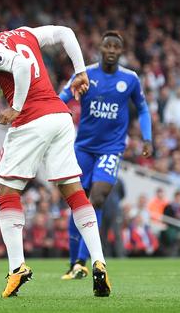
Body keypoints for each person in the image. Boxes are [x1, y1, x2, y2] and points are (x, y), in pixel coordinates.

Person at [0, 19, 110, 297]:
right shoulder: (23, 33)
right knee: (73, 192)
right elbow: (66, 32)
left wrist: (16, 107)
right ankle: (99, 261)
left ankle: (17, 268)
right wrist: (80, 71)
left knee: (7, 192)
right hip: (60, 118)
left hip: (32, 120)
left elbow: (21, 67)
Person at [58, 31, 153, 280]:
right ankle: (74, 262)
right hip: (84, 148)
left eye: (116, 47)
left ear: (121, 52)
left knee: (97, 199)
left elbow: (142, 109)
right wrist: (54, 119)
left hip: (111, 149)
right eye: (107, 45)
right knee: (78, 203)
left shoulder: (130, 79)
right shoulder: (85, 74)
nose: (111, 50)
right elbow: (62, 99)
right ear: (100, 47)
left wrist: (147, 138)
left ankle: (85, 261)